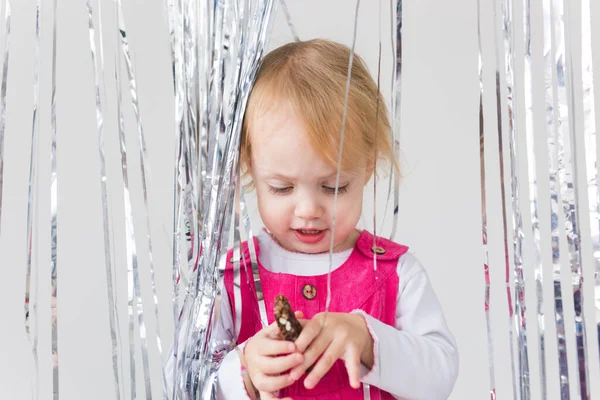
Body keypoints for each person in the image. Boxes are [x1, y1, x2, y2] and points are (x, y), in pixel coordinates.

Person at [170, 39, 459, 400]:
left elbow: (440, 376)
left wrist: (369, 341)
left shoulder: (395, 274)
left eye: (333, 186)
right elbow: (181, 383)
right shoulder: (230, 279)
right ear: (249, 168)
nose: (308, 210)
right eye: (281, 188)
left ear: (366, 167)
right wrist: (243, 370)